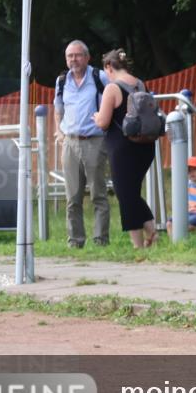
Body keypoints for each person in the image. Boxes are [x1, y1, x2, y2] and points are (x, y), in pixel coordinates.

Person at [92, 49, 157, 248]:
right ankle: (153, 233)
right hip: (145, 147)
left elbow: (103, 122)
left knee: (125, 196)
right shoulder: (140, 84)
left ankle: (138, 244)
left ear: (109, 67)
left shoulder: (112, 89)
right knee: (131, 194)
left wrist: (95, 117)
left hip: (123, 149)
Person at [54, 40, 110, 248]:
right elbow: (58, 108)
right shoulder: (61, 81)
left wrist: (107, 127)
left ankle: (100, 240)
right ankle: (75, 241)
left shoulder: (99, 77)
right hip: (69, 142)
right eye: (70, 56)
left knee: (98, 194)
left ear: (87, 57)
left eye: (77, 55)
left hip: (94, 141)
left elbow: (114, 101)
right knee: (72, 197)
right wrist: (59, 132)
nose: (73, 60)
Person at [166, 156, 196, 236]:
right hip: (188, 213)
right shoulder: (187, 185)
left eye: (194, 169)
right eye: (189, 171)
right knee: (169, 223)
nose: (191, 173)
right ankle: (174, 244)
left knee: (183, 226)